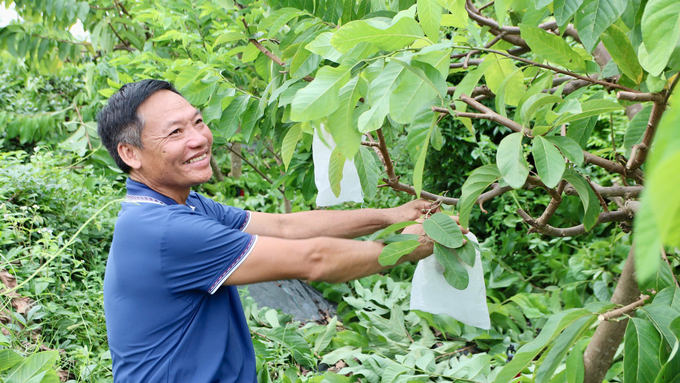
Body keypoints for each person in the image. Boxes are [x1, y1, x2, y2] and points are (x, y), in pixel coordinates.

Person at [97, 79, 459, 382]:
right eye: (176, 132)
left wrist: (391, 215)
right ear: (131, 153)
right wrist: (407, 247)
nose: (198, 138)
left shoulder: (181, 204)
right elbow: (312, 260)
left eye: (198, 122)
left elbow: (286, 227)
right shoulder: (164, 230)